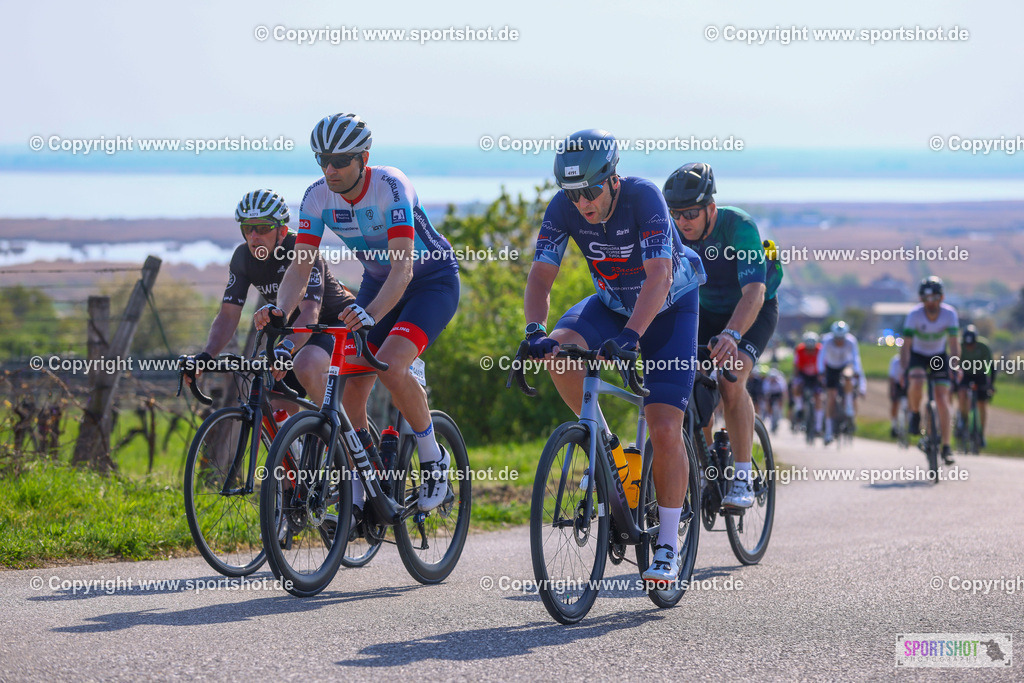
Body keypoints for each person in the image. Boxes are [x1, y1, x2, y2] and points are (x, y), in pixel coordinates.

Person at [524, 129, 706, 584]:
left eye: (589, 190)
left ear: (612, 178)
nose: (582, 201)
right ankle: (605, 445)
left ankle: (667, 541)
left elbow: (660, 275)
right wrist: (534, 331)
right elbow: (542, 276)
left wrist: (631, 336)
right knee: (560, 352)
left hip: (668, 305)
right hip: (612, 302)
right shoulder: (563, 208)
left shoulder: (644, 198)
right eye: (572, 192)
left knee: (664, 424)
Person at [254, 114, 460, 512]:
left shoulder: (390, 187)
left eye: (339, 161)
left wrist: (370, 315)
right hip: (379, 283)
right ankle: (366, 478)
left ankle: (434, 459)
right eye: (322, 161)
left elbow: (404, 269)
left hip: (430, 281)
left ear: (363, 158)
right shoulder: (316, 196)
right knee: (348, 388)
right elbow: (301, 266)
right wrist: (280, 311)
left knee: (392, 365)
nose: (329, 170)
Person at [663, 162, 782, 508]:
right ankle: (704, 472)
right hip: (704, 312)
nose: (682, 222)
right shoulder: (672, 230)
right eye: (676, 214)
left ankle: (742, 478)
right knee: (687, 385)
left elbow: (755, 292)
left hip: (752, 309)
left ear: (710, 209)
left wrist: (732, 333)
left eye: (690, 213)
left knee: (731, 379)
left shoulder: (738, 226)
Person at [186, 189, 356, 413]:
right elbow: (228, 314)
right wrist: (207, 355)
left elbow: (310, 312)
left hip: (337, 325)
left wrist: (285, 347)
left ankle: (341, 435)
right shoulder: (242, 257)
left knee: (305, 365)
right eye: (248, 228)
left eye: (264, 228)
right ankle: (294, 446)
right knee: (276, 401)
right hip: (295, 334)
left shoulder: (302, 250)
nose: (254, 236)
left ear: (282, 230)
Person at [899, 276, 960, 465]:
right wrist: (904, 370)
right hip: (918, 354)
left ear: (941, 298)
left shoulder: (950, 314)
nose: (931, 303)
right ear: (921, 300)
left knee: (942, 399)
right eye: (926, 299)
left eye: (934, 298)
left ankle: (947, 447)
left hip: (938, 356)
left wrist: (956, 366)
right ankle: (915, 413)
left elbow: (954, 344)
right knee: (916, 382)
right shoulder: (914, 315)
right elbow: (906, 346)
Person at [816, 320, 866, 445]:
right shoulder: (827, 340)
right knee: (830, 400)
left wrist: (857, 371)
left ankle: (849, 406)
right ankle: (828, 432)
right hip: (831, 368)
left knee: (848, 375)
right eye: (837, 338)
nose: (839, 341)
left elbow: (856, 357)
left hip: (845, 365)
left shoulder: (851, 341)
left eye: (842, 338)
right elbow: (821, 357)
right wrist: (821, 371)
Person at [955, 324, 994, 448]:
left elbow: (991, 366)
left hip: (979, 374)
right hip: (965, 374)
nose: (969, 347)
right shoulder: (959, 346)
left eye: (972, 345)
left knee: (982, 404)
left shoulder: (983, 347)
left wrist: (991, 384)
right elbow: (954, 363)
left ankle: (981, 434)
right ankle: (963, 418)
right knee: (962, 393)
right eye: (967, 345)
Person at [791, 331, 823, 433]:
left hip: (816, 375)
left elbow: (824, 364)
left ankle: (818, 425)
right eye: (808, 349)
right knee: (796, 386)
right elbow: (796, 365)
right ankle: (799, 407)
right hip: (803, 374)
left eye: (812, 349)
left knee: (819, 397)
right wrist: (795, 378)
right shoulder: (799, 350)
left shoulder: (820, 350)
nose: (810, 351)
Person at [888, 351, 906, 438]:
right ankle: (894, 425)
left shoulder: (910, 360)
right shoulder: (895, 361)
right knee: (895, 403)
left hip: (907, 384)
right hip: (896, 384)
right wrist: (892, 390)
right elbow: (891, 377)